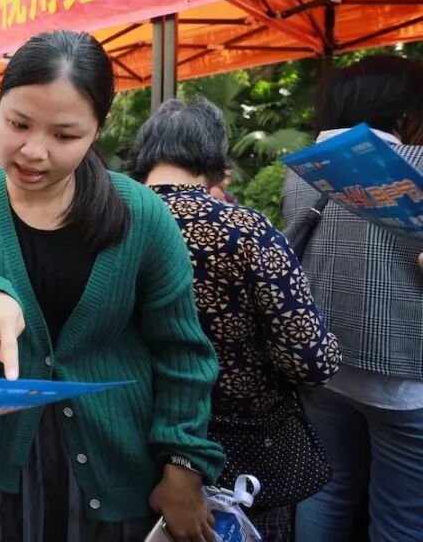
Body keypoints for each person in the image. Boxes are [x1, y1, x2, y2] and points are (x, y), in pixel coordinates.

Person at [0, 30, 224, 542]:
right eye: (18, 124)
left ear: (97, 129)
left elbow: (182, 352)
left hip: (118, 468)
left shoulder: (142, 215)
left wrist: (183, 465)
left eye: (64, 136)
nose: (33, 152)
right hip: (3, 467)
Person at [130, 98, 341, 542]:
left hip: (131, 440)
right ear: (214, 158)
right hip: (245, 457)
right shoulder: (245, 230)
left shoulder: (111, 222)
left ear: (146, 152)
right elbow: (310, 359)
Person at [283, 54, 423, 542]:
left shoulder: (304, 169)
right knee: (401, 516)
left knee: (328, 490)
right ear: (405, 113)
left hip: (324, 361)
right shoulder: (418, 164)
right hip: (405, 376)